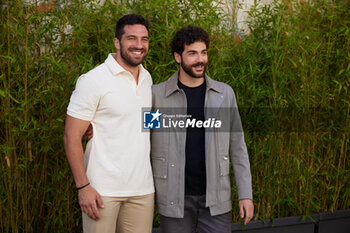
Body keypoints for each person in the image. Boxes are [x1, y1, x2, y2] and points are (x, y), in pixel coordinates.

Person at [151, 26, 254, 233]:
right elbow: (141, 139)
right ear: (177, 57)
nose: (200, 59)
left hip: (215, 201)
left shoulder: (224, 95)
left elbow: (238, 147)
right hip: (174, 201)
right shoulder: (157, 97)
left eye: (203, 52)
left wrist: (245, 194)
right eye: (192, 53)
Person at [63, 14, 154, 233]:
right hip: (101, 190)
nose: (139, 45)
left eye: (144, 39)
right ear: (117, 42)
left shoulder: (147, 78)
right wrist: (83, 187)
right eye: (132, 38)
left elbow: (145, 123)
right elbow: (71, 136)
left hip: (142, 189)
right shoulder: (93, 80)